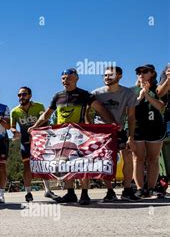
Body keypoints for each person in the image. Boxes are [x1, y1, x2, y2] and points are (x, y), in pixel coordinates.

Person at [28, 68, 117, 205]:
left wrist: (112, 123)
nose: (65, 81)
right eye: (63, 78)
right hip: (61, 136)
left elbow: (100, 109)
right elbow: (46, 115)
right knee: (65, 163)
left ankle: (85, 194)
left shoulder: (84, 95)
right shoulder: (58, 96)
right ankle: (70, 193)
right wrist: (35, 127)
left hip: (79, 135)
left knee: (81, 164)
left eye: (68, 78)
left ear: (76, 78)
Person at [91, 66, 140, 201]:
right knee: (105, 160)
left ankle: (128, 189)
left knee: (128, 156)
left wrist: (131, 136)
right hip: (101, 131)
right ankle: (110, 191)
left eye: (110, 75)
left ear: (119, 76)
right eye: (105, 75)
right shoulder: (95, 94)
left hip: (119, 129)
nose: (107, 78)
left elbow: (131, 117)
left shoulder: (128, 93)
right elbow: (88, 113)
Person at [10, 87, 58, 202]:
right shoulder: (14, 111)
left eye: (24, 94)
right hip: (25, 142)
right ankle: (28, 193)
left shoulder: (39, 106)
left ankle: (47, 190)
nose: (21, 97)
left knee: (43, 165)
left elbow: (45, 122)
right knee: (27, 167)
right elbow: (12, 126)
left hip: (39, 140)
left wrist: (37, 133)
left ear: (30, 95)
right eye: (19, 95)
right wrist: (14, 131)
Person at [131, 64, 166, 198]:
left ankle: (151, 188)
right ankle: (140, 189)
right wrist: (140, 95)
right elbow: (129, 109)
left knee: (153, 158)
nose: (141, 74)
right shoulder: (132, 91)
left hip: (155, 129)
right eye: (138, 72)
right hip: (138, 129)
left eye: (145, 71)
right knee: (138, 158)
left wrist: (147, 94)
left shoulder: (158, 90)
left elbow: (161, 107)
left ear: (152, 74)